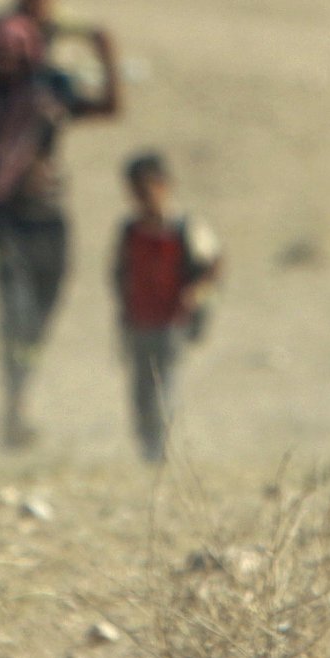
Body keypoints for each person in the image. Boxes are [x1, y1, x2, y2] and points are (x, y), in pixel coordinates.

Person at [0, 4, 121, 450]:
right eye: (0, 53)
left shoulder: (50, 90)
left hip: (50, 213)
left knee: (45, 305)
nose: (7, 62)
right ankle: (15, 406)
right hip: (5, 216)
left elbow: (108, 106)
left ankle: (20, 395)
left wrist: (107, 55)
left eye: (16, 53)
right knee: (15, 311)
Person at [111, 151, 222, 464]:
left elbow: (213, 264)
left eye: (149, 188)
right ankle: (147, 449)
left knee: (165, 387)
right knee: (140, 391)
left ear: (164, 186)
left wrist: (195, 294)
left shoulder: (185, 228)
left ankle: (162, 451)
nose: (144, 198)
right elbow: (120, 274)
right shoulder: (130, 232)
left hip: (173, 322)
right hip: (138, 322)